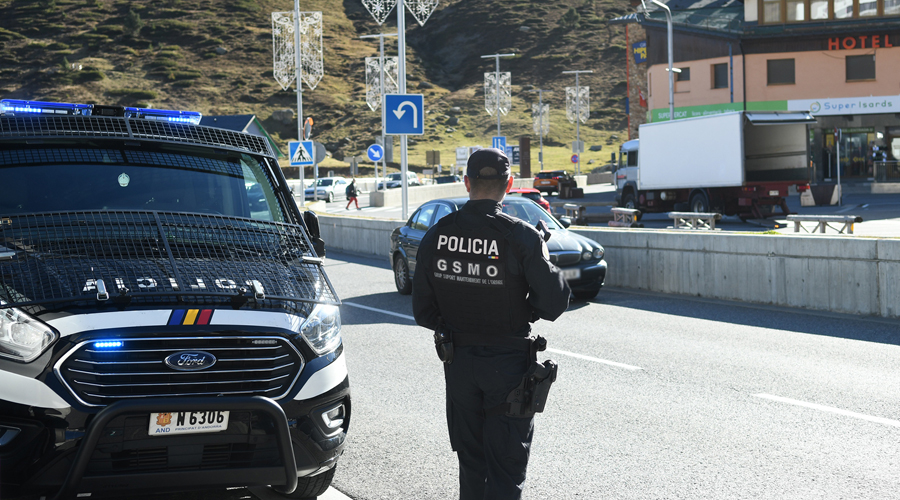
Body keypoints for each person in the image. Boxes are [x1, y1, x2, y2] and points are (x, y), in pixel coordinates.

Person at [412, 148, 571, 500]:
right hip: (508, 365)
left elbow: (423, 313)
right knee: (506, 469)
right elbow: (555, 302)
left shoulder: (436, 235)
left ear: (466, 182)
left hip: (459, 363)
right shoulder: (521, 236)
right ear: (509, 184)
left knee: (472, 464)